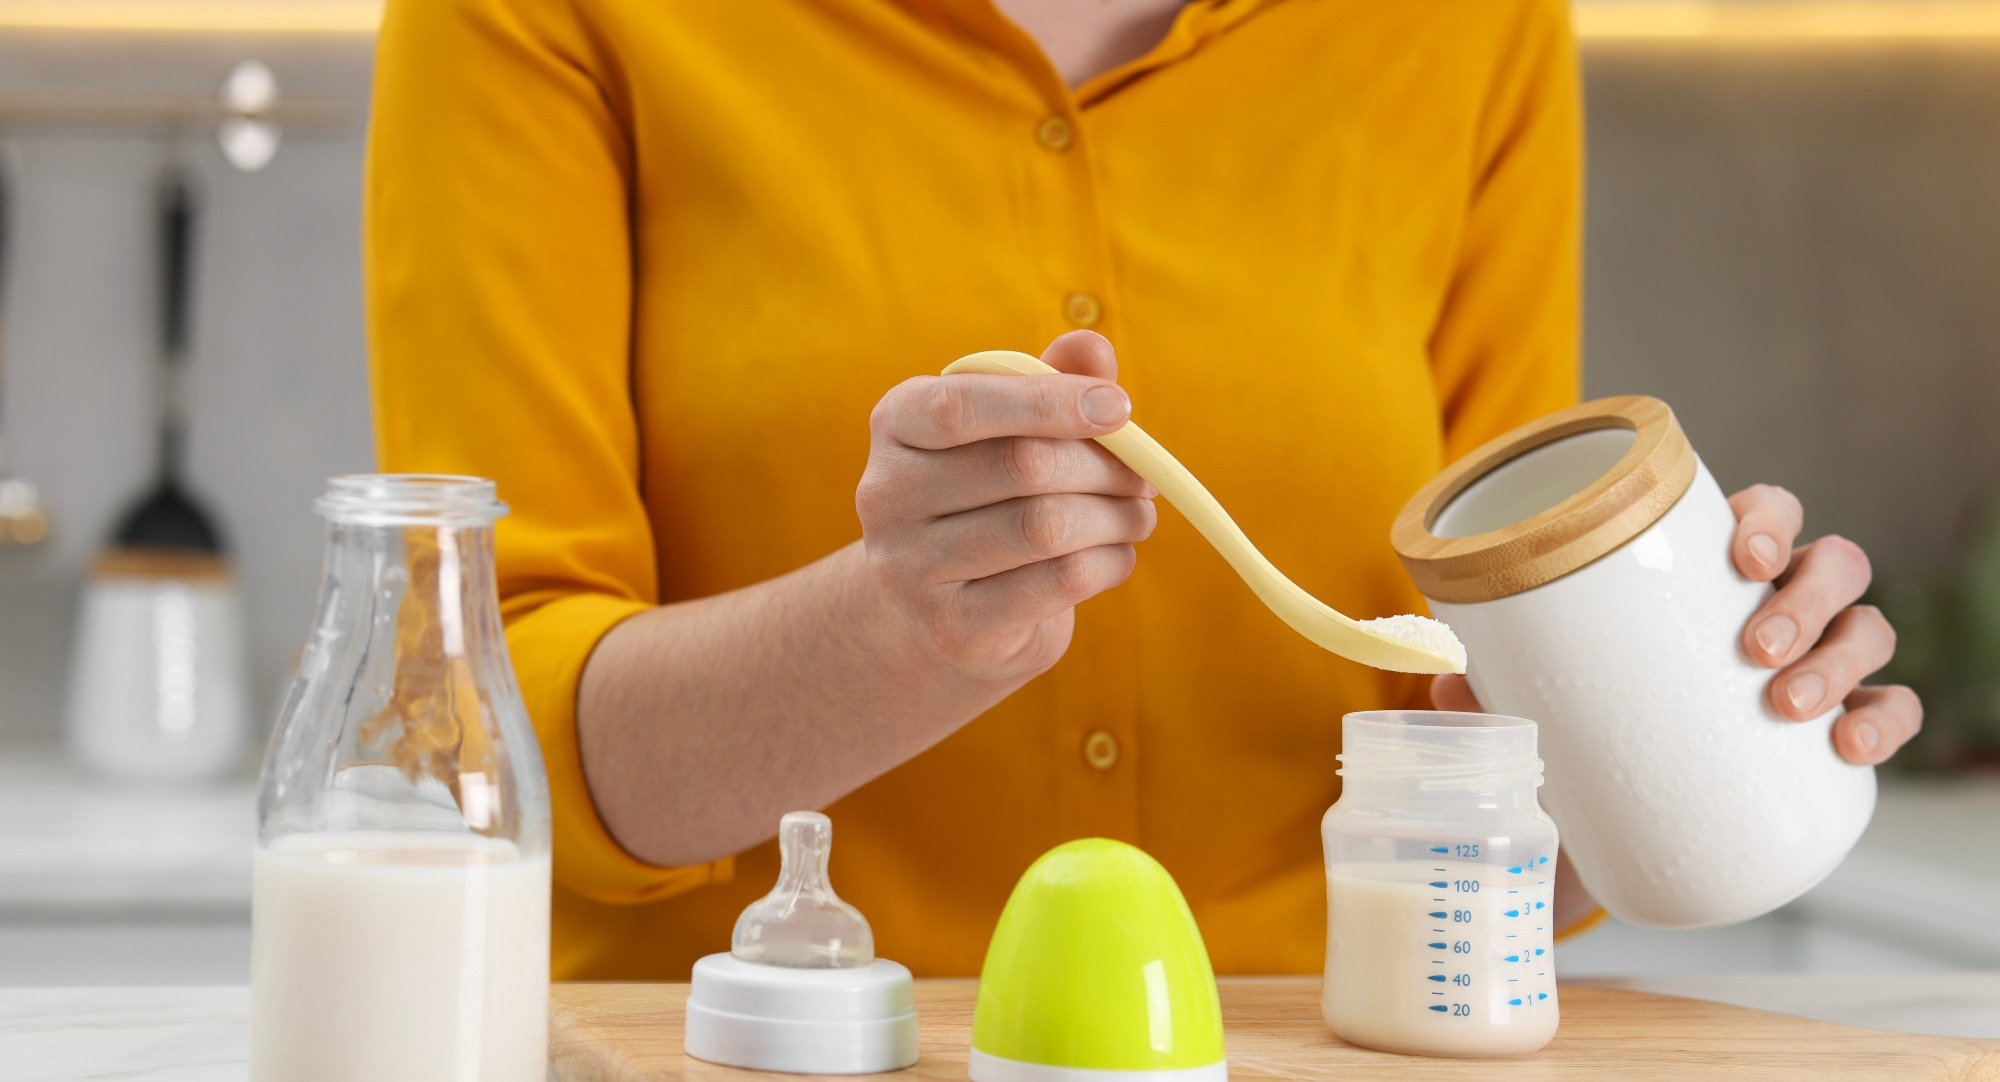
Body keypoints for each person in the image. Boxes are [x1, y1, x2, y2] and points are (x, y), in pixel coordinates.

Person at [366, 0, 1921, 979]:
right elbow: (477, 748)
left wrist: (1679, 701)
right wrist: (891, 629)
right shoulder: (526, 15)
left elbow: (1498, 759)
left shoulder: (1474, 25)